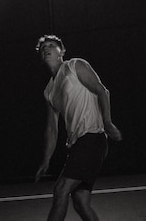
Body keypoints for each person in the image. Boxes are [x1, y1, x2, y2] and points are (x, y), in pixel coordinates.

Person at [35, 34, 122, 221]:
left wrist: (107, 122)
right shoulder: (49, 91)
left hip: (92, 137)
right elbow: (52, 129)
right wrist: (46, 160)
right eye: (43, 48)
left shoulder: (74, 66)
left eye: (51, 45)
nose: (46, 48)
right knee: (81, 202)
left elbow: (102, 90)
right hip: (77, 145)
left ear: (62, 51)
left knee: (60, 189)